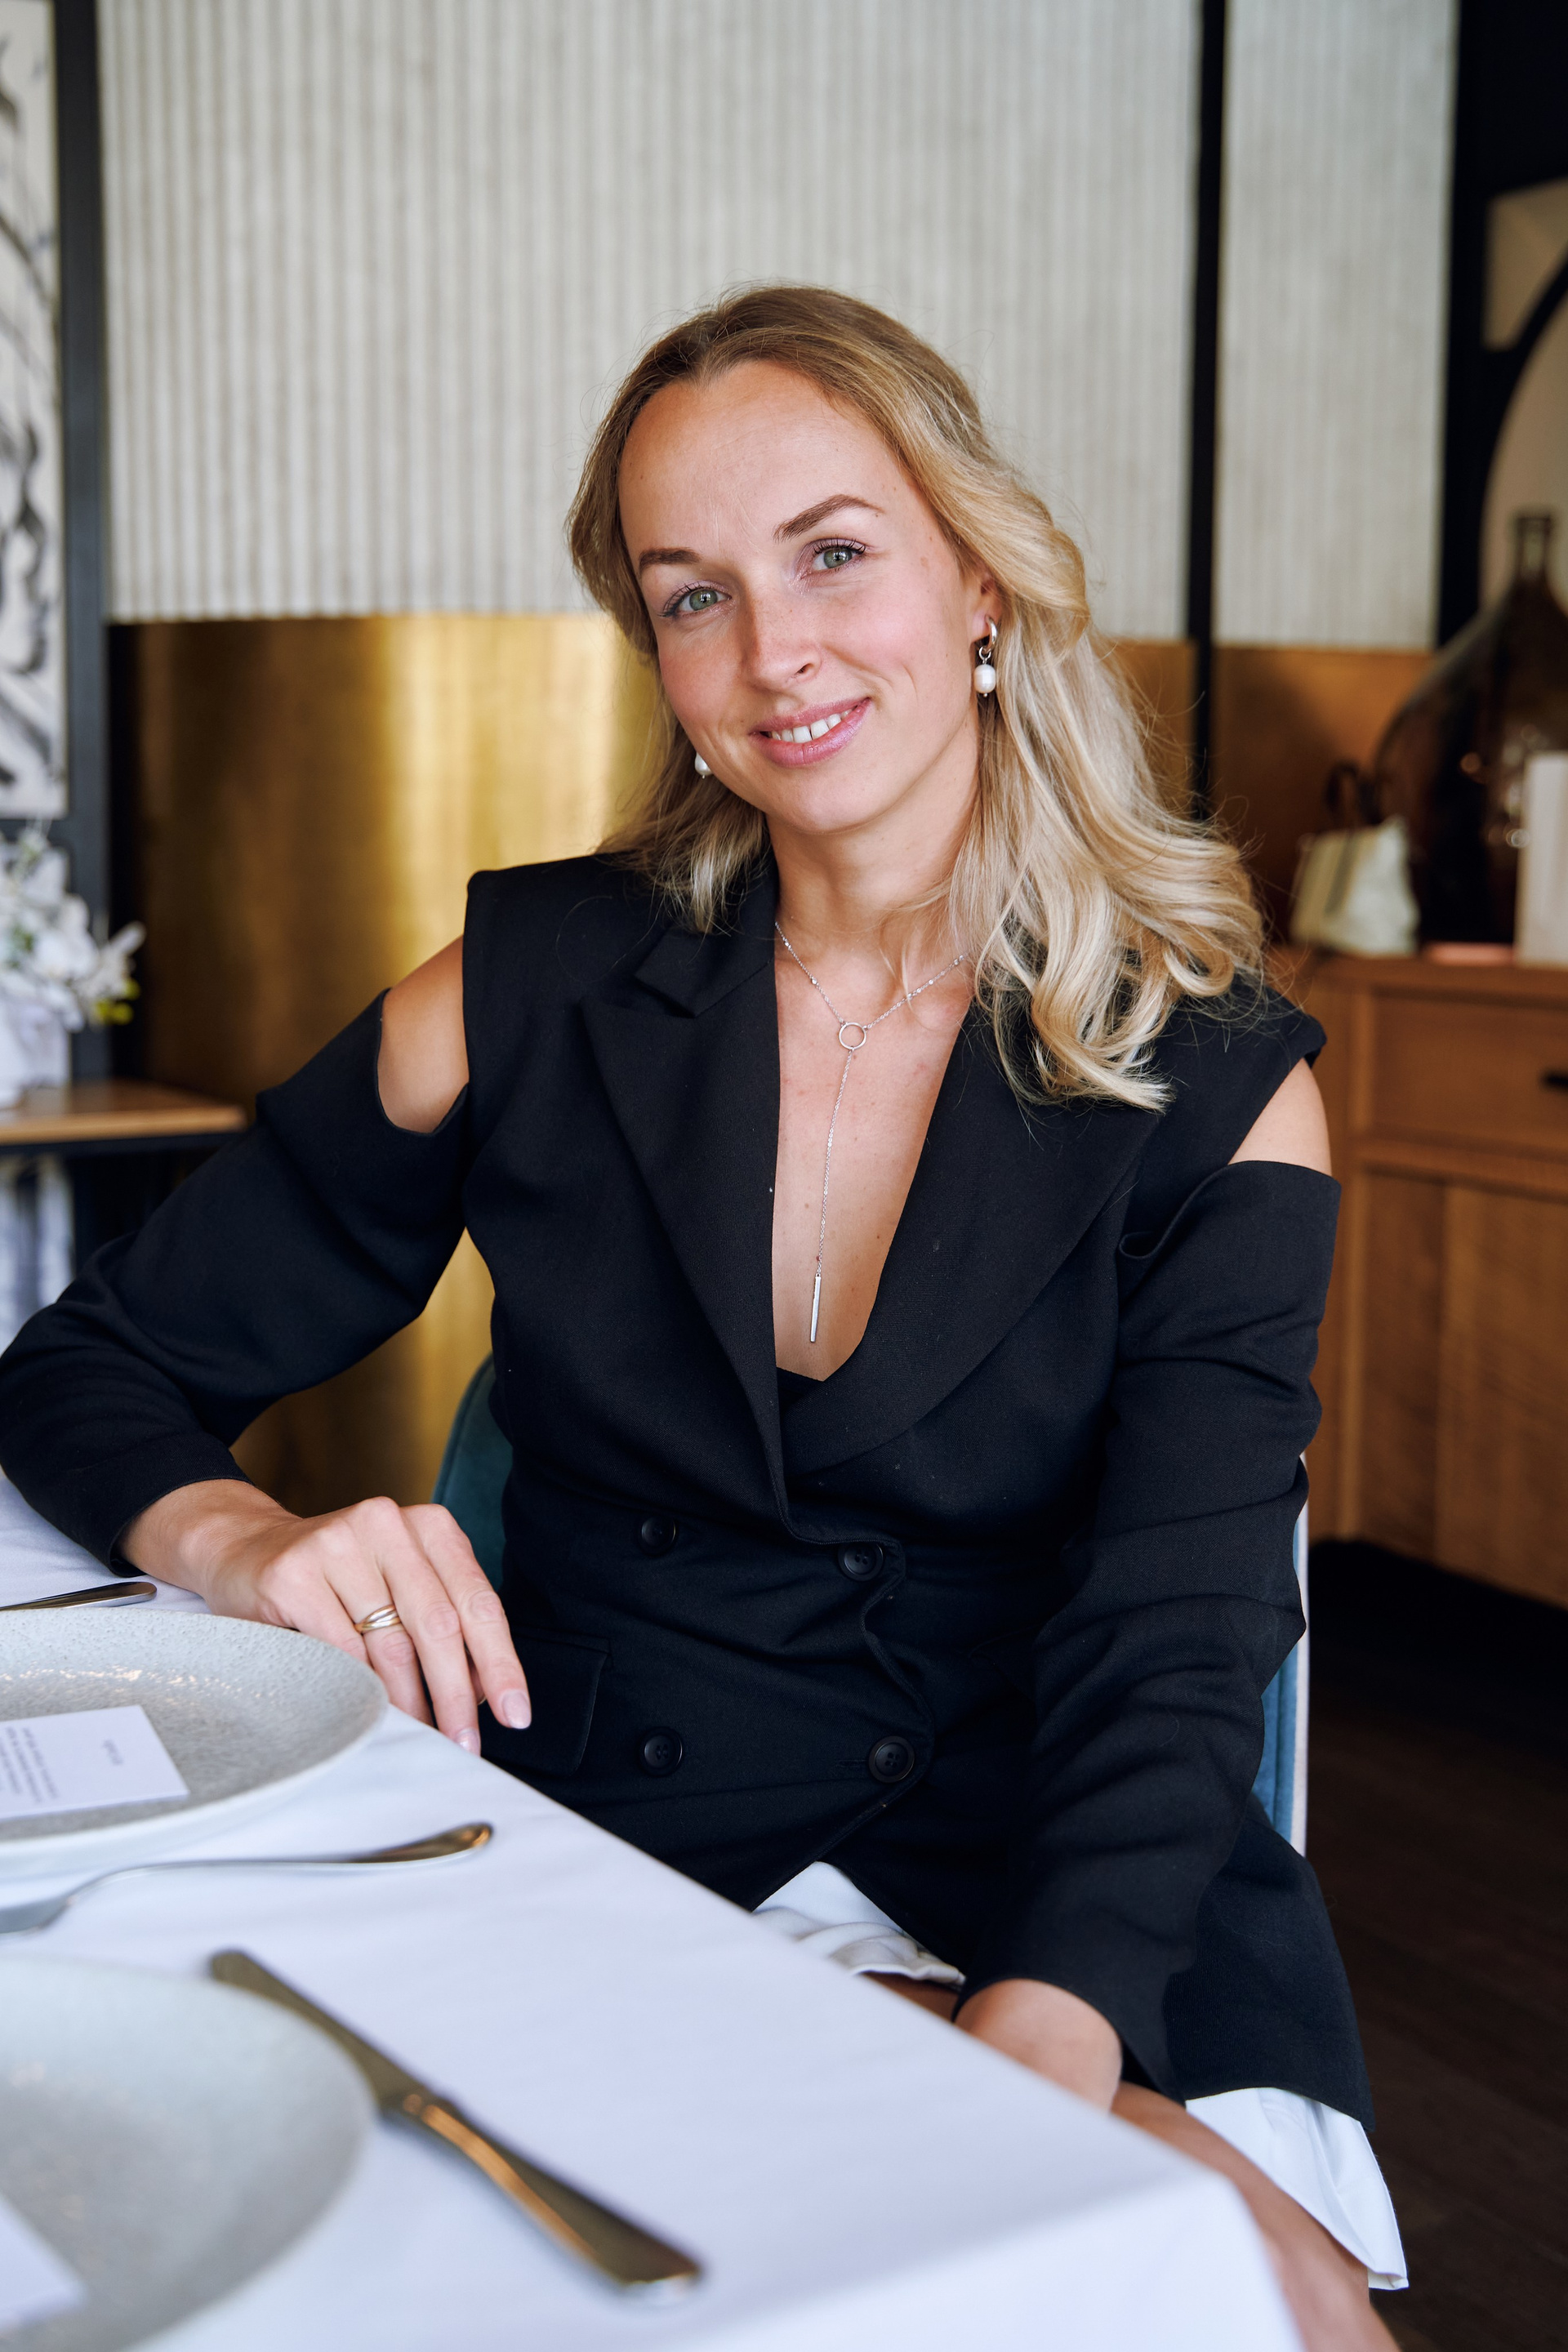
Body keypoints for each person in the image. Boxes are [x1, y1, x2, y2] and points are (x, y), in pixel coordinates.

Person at [0, 287, 1403, 2345]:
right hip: (619, 1863)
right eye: (693, 596)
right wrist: (247, 1538)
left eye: (833, 554)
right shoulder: (532, 986)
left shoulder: (1218, 1083)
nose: (773, 654)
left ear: (982, 578)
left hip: (1076, 1881)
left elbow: (1180, 1637)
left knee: (1262, 2291)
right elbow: (86, 1364)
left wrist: (1047, 2048)